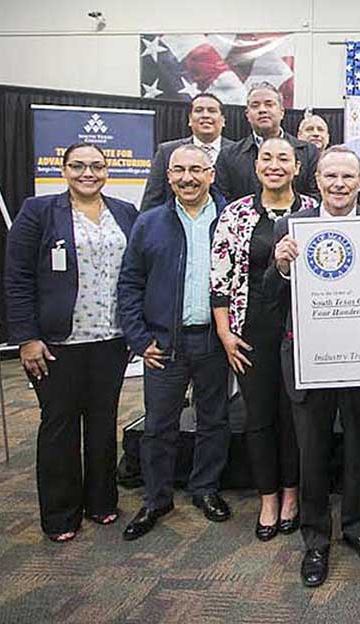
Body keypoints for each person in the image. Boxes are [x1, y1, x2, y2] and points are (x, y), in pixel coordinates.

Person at [265, 146, 360, 587]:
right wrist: (281, 266)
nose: (339, 184)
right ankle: (316, 539)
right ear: (315, 180)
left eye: (347, 177)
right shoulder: (289, 227)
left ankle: (357, 528)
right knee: (312, 454)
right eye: (330, 176)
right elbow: (268, 298)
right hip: (307, 360)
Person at [4, 142, 138, 543]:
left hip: (111, 339)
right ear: (63, 170)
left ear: (106, 171)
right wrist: (26, 338)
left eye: (96, 166)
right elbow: (18, 279)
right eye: (78, 166)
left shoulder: (125, 213)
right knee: (59, 424)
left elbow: (134, 275)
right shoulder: (38, 212)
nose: (88, 173)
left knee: (102, 423)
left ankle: (101, 501)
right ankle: (61, 514)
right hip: (56, 344)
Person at [117, 144, 233, 541]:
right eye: (179, 170)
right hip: (163, 345)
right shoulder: (149, 224)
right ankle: (156, 498)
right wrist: (138, 337)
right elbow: (130, 284)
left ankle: (205, 489)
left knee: (214, 421)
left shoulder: (231, 218)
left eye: (196, 170)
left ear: (211, 174)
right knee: (159, 426)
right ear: (168, 177)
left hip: (215, 342)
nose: (188, 177)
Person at [211, 137, 316, 542]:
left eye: (283, 159)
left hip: (302, 327)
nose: (274, 165)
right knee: (259, 417)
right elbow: (219, 280)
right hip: (250, 327)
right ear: (256, 167)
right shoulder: (235, 215)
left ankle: (292, 495)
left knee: (294, 416)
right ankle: (268, 498)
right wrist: (224, 332)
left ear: (296, 167)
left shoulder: (312, 211)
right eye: (267, 158)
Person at [215, 82, 319, 201]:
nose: (262, 110)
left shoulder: (308, 152)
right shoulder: (228, 155)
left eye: (269, 104)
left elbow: (316, 195)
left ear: (282, 112)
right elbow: (222, 200)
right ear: (247, 115)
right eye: (255, 105)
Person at [142, 93, 226, 210]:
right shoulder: (166, 152)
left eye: (212, 111)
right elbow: (151, 202)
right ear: (190, 120)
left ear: (223, 120)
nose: (205, 115)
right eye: (199, 110)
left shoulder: (238, 152)